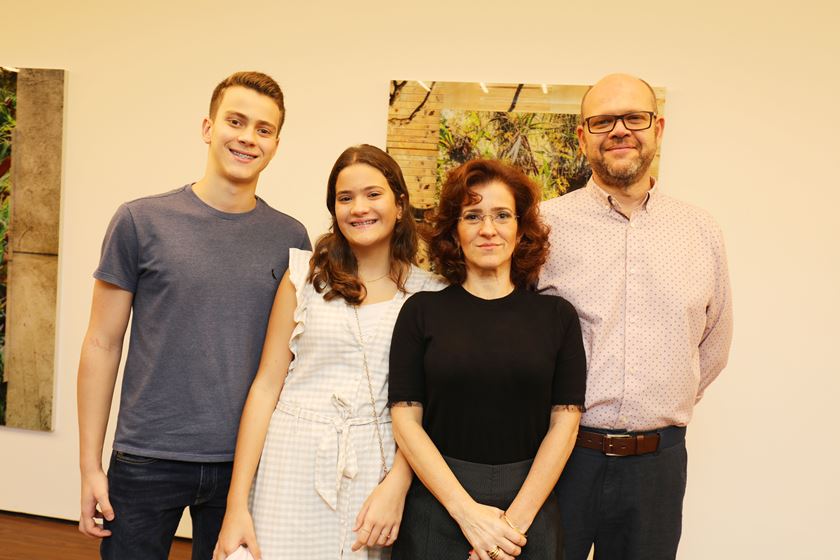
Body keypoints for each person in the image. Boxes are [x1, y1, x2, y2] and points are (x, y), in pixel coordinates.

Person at [76, 71, 311, 560]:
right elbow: (101, 344)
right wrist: (89, 466)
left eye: (263, 129)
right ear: (208, 127)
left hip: (244, 464)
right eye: (236, 121)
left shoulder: (291, 238)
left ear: (276, 144)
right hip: (146, 458)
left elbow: (290, 359)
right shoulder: (140, 221)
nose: (248, 138)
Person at [212, 144, 445, 560]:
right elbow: (266, 387)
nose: (359, 208)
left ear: (400, 203)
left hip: (377, 465)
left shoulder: (431, 293)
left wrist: (399, 481)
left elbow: (430, 409)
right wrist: (235, 505)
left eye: (373, 194)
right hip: (292, 458)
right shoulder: (304, 277)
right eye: (345, 198)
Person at [540, 73, 734, 559]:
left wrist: (662, 401)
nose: (619, 130)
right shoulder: (543, 226)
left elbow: (714, 342)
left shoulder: (700, 230)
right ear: (582, 135)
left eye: (635, 118)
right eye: (603, 120)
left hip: (658, 465)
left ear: (658, 128)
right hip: (562, 457)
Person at [389, 159, 587, 560]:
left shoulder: (557, 317)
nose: (488, 229)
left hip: (528, 511)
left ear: (520, 228)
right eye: (472, 215)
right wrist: (468, 516)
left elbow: (564, 426)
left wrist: (508, 529)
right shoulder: (421, 312)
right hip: (439, 504)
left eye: (501, 215)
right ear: (454, 230)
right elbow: (405, 422)